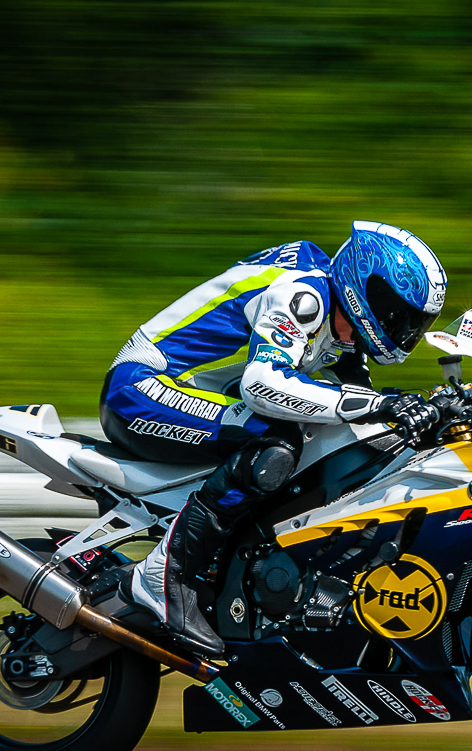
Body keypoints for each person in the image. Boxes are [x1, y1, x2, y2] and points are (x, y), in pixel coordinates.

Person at [98, 221, 447, 656]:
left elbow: (362, 403)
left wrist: (420, 410)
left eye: (415, 321)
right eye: (398, 312)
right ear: (366, 288)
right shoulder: (305, 296)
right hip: (141, 390)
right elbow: (261, 383)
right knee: (274, 448)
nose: (404, 327)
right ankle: (163, 575)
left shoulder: (343, 328)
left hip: (189, 397)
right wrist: (378, 406)